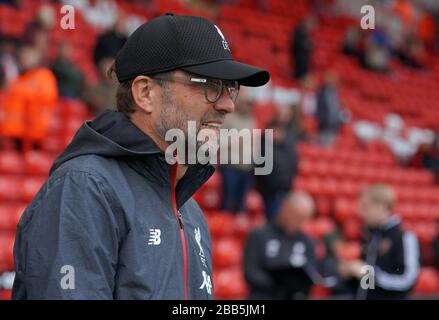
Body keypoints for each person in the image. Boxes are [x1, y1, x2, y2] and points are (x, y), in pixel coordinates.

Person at [12, 13, 269, 300]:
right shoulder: (84, 189)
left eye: (231, 89)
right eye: (209, 85)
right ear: (145, 92)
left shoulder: (190, 210)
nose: (227, 105)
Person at [339, 184, 420, 300]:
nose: (360, 212)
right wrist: (350, 274)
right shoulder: (370, 236)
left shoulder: (405, 236)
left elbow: (407, 281)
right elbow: (369, 286)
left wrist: (368, 273)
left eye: (365, 207)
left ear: (381, 206)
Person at [243, 191, 317, 299]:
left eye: (304, 218)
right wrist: (279, 283)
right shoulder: (259, 235)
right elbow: (250, 273)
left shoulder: (308, 242)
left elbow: (311, 275)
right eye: (297, 216)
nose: (299, 222)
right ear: (285, 209)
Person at [0, 44, 58, 150]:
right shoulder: (18, 78)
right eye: (22, 57)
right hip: (14, 131)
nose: (23, 60)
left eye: (27, 57)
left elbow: (46, 99)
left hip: (33, 132)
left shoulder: (44, 76)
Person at [256, 105, 299, 220]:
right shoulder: (265, 144)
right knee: (273, 216)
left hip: (284, 186)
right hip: (271, 188)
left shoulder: (289, 138)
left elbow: (293, 162)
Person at [219, 96, 255, 213]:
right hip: (230, 166)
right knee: (228, 201)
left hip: (246, 167)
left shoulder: (251, 120)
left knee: (241, 205)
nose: (247, 107)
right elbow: (218, 139)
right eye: (245, 103)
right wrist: (235, 140)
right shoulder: (228, 119)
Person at [315, 70, 347, 145]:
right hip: (324, 127)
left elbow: (338, 109)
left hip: (334, 127)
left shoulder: (336, 94)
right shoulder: (321, 93)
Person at [290, 15, 316, 80]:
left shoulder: (307, 33)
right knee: (299, 74)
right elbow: (298, 42)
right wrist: (308, 44)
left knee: (304, 75)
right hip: (299, 57)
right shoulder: (299, 30)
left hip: (304, 58)